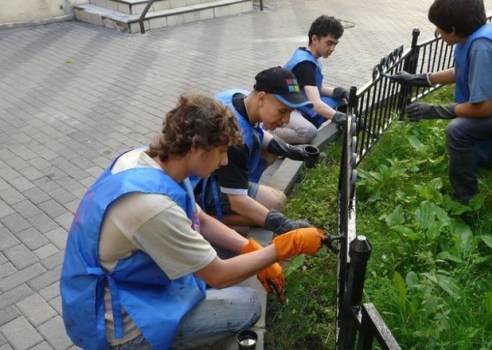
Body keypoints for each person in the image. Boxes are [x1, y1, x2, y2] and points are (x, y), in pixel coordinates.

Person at [59, 93, 325, 350]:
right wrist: (282, 248)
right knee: (247, 304)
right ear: (196, 145)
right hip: (122, 326)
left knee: (225, 259)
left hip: (127, 285)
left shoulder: (149, 160)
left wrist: (250, 248)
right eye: (221, 151)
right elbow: (219, 275)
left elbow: (201, 220)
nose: (223, 162)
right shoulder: (152, 207)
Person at [388, 0, 492, 203]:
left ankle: (465, 200)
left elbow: (482, 108)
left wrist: (433, 110)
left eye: (438, 27)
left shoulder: (482, 47)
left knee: (459, 131)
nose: (437, 32)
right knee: (475, 146)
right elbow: (462, 71)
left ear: (453, 28)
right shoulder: (478, 35)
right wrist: (420, 79)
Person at [196, 66, 320, 234]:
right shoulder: (234, 139)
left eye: (291, 112)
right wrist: (282, 224)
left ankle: (245, 192)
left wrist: (293, 151)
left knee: (270, 151)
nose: (286, 120)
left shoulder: (238, 96)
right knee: (277, 203)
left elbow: (259, 134)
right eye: (283, 111)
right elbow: (237, 200)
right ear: (262, 98)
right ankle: (205, 217)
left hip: (212, 170)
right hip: (200, 185)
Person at [272, 15, 350, 144]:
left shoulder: (309, 56)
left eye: (335, 44)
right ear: (315, 39)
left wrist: (339, 92)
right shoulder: (305, 64)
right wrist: (339, 117)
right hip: (283, 107)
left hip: (296, 103)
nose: (332, 49)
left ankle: (338, 133)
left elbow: (318, 89)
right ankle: (272, 133)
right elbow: (316, 103)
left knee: (338, 100)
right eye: (329, 43)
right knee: (309, 132)